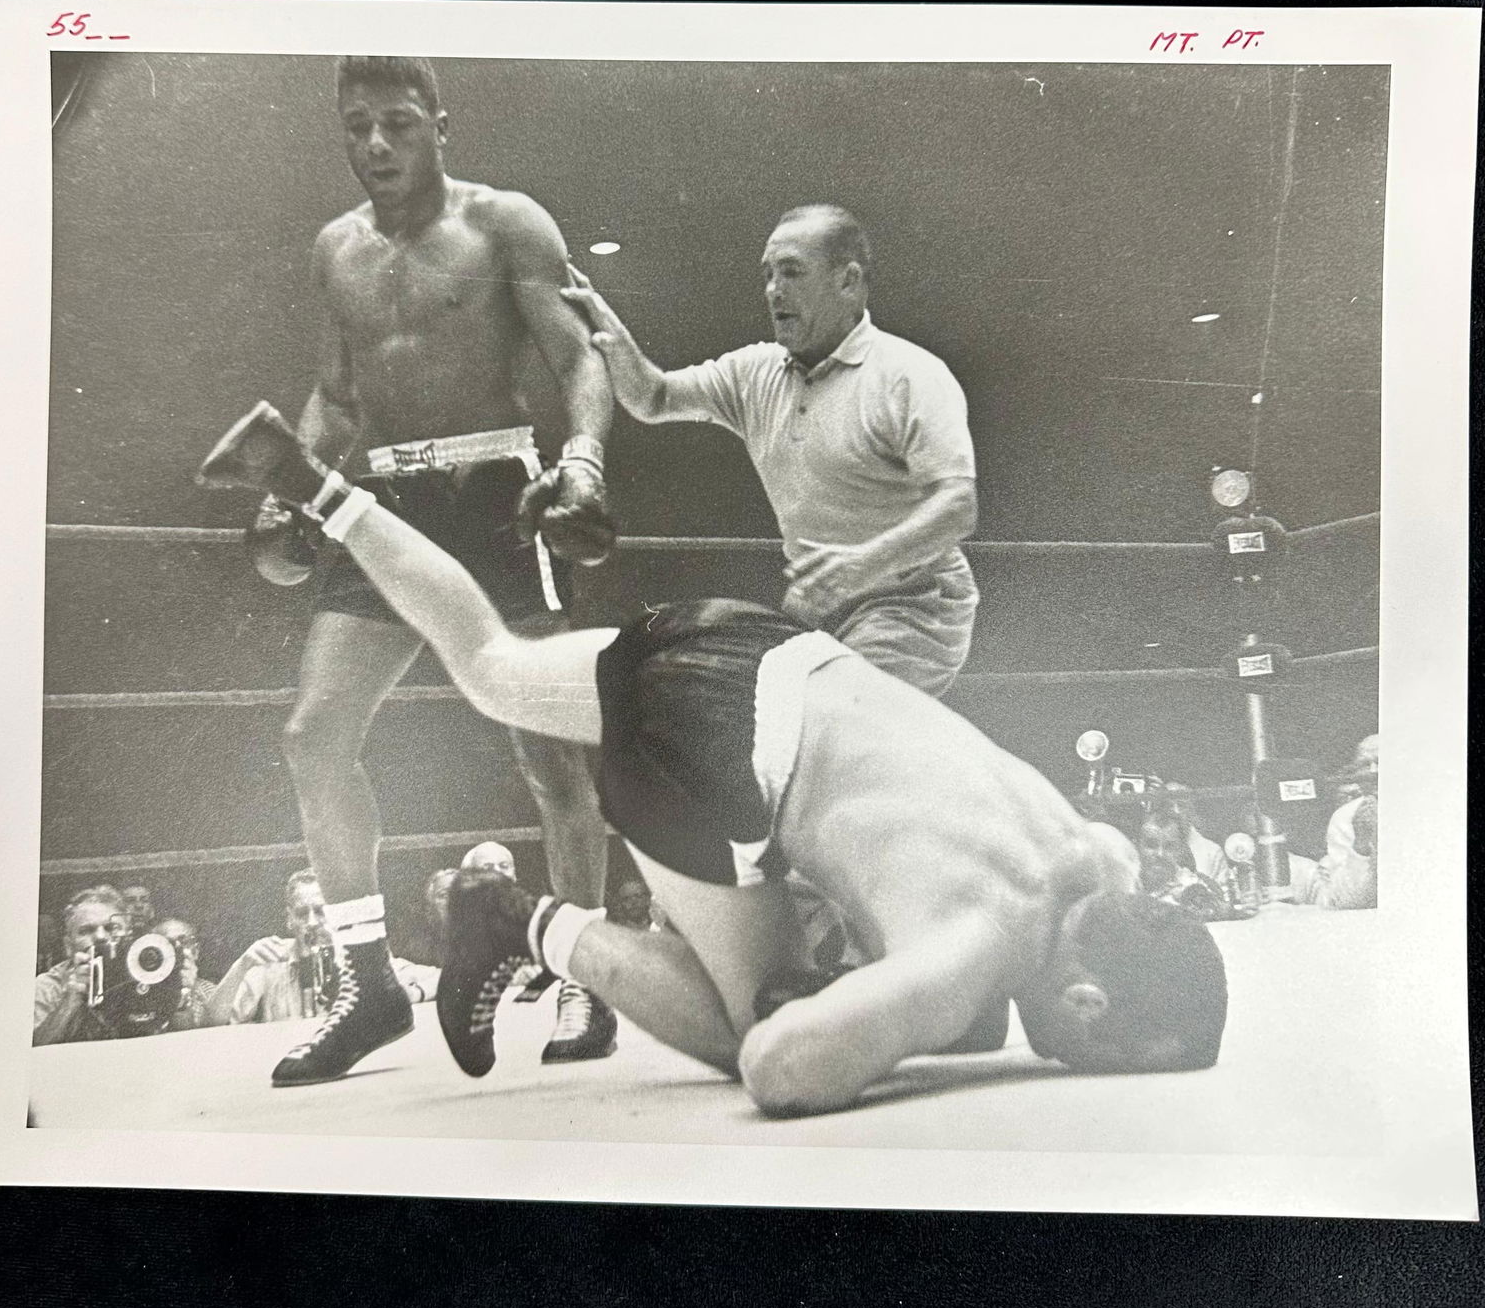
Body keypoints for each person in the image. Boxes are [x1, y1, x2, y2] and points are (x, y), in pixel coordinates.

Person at [198, 406, 1229, 1117]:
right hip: (717, 757)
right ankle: (523, 920)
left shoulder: (1097, 853)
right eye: (1096, 1051)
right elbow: (781, 1070)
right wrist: (898, 1015)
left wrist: (900, 1001)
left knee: (490, 665)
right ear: (1090, 1003)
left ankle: (320, 490)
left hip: (767, 648)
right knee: (758, 1020)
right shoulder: (969, 950)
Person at [237, 56, 620, 1085]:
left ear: (440, 126)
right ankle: (368, 985)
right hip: (391, 507)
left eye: (397, 125)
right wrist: (291, 489)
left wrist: (582, 460)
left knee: (547, 755)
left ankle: (587, 968)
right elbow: (337, 395)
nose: (375, 147)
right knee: (313, 735)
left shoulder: (505, 224)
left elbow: (580, 355)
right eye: (356, 127)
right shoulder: (336, 249)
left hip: (501, 496)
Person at [561, 205, 979, 700]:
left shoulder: (909, 375)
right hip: (820, 606)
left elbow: (958, 508)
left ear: (848, 282)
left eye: (793, 272)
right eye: (769, 274)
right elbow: (653, 398)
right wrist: (609, 330)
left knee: (833, 721)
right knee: (754, 721)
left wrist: (860, 566)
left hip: (915, 606)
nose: (774, 290)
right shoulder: (755, 372)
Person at [209, 869, 437, 1025]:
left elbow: (445, 978)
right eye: (301, 913)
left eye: (320, 911)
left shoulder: (359, 956)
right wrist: (242, 965)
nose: (311, 922)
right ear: (289, 919)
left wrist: (414, 993)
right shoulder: (270, 963)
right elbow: (211, 1021)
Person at [33, 886, 131, 1046]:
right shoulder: (47, 986)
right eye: (86, 930)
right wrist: (71, 1001)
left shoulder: (146, 972)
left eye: (111, 928)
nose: (100, 937)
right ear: (68, 946)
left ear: (128, 934)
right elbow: (35, 1047)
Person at [1308, 734, 1378, 910]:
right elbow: (1345, 902)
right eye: (1364, 764)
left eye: (1382, 762)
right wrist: (1360, 846)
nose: (1373, 771)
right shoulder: (1345, 818)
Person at [153, 917, 219, 1028]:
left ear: (196, 951)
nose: (176, 949)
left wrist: (188, 991)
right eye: (167, 943)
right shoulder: (144, 993)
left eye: (184, 942)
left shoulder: (211, 993)